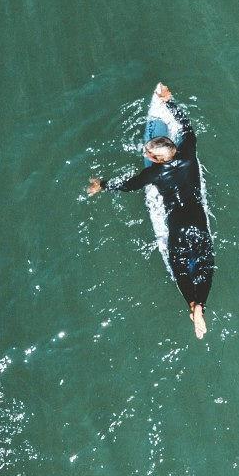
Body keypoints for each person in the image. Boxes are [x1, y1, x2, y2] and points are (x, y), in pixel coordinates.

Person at [87, 83, 215, 338]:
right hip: (197, 220)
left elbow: (128, 185)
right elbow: (187, 127)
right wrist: (169, 101)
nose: (146, 153)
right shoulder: (189, 151)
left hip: (177, 226)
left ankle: (192, 304)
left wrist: (102, 185)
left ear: (158, 159)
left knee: (180, 265)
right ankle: (200, 303)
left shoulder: (153, 174)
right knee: (204, 260)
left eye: (149, 153)